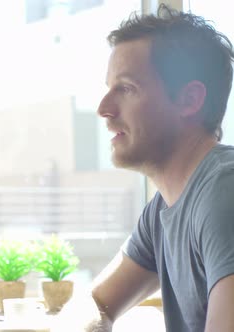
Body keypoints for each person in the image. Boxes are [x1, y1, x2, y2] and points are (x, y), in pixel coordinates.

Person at [59, 4, 234, 332]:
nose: (103, 108)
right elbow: (95, 302)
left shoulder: (224, 195)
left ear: (188, 100)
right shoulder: (163, 211)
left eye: (126, 88)